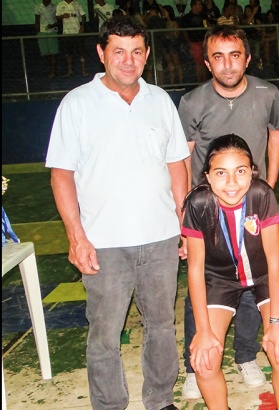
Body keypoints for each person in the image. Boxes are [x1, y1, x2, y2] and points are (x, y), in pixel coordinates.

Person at [46, 17, 188, 410]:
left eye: (137, 51)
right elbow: (62, 176)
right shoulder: (76, 104)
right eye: (119, 51)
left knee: (161, 326)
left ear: (146, 55)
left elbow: (177, 166)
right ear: (101, 53)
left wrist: (184, 226)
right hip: (104, 243)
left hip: (160, 238)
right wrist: (77, 237)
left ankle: (160, 401)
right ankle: (109, 405)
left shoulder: (160, 101)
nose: (129, 61)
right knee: (105, 334)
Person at [178, 24, 279, 399]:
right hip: (208, 207)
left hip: (250, 199)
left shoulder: (267, 92)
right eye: (219, 56)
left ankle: (245, 355)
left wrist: (268, 184)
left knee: (255, 274)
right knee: (208, 277)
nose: (228, 64)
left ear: (248, 58)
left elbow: (276, 133)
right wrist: (185, 216)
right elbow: (183, 156)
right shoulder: (192, 102)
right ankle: (194, 359)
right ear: (207, 62)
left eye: (235, 55)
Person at [182, 134, 279, 409]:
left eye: (240, 171)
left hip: (265, 275)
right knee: (205, 360)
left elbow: (273, 261)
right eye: (221, 173)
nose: (232, 183)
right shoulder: (198, 204)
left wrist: (278, 324)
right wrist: (203, 331)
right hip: (219, 278)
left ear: (252, 173)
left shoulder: (261, 194)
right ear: (207, 176)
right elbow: (195, 269)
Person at [56, 0, 88, 77]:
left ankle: (84, 70)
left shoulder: (77, 3)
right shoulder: (60, 4)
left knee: (81, 52)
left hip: (77, 32)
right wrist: (63, 16)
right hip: (66, 33)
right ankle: (70, 71)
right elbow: (57, 17)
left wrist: (82, 26)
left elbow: (83, 15)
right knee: (68, 53)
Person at [182, 0, 208, 82]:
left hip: (203, 42)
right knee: (198, 63)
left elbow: (206, 27)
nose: (200, 6)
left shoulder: (203, 16)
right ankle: (199, 81)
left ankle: (204, 81)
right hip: (194, 42)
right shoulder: (187, 17)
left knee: (204, 63)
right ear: (193, 6)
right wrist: (189, 42)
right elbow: (184, 31)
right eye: (199, 4)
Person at [35, 0, 59, 79]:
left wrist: (52, 26)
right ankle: (49, 70)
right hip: (42, 33)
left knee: (53, 53)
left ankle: (54, 72)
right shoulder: (38, 7)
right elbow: (37, 20)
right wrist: (38, 32)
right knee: (45, 54)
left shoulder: (55, 7)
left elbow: (59, 20)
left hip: (52, 32)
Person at [161, 5, 184, 84]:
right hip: (166, 44)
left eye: (164, 12)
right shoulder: (164, 23)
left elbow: (176, 34)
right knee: (170, 64)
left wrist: (168, 31)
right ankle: (172, 82)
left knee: (177, 63)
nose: (163, 13)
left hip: (173, 44)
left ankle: (181, 82)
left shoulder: (174, 23)